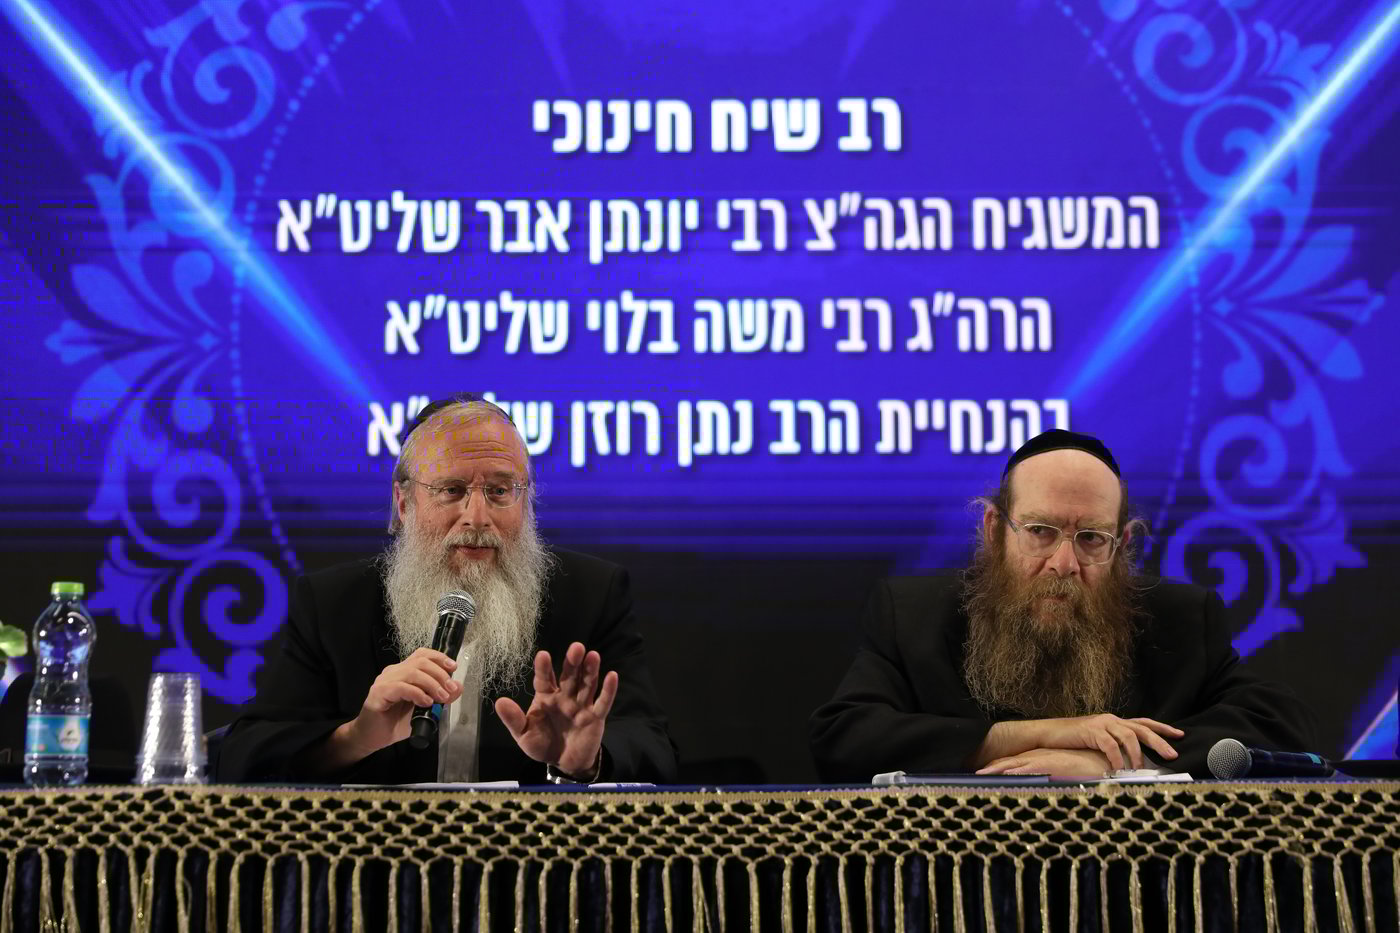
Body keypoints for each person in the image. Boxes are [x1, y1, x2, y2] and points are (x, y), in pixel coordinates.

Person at [217, 394, 677, 784]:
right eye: (451, 490)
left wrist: (584, 762)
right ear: (403, 503)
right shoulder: (333, 604)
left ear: (527, 503)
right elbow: (243, 756)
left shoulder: (592, 595)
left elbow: (656, 750)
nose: (477, 518)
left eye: (500, 491)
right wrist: (357, 736)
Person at [809, 429, 1317, 780]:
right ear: (994, 530)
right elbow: (844, 740)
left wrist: (1117, 764)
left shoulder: (1180, 618)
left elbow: (1281, 728)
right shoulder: (914, 614)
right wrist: (1039, 735)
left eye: (1091, 538)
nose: (1064, 563)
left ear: (1122, 544)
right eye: (1040, 531)